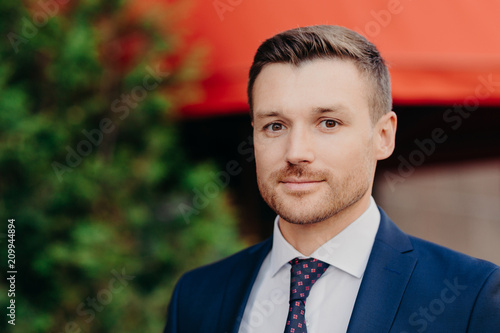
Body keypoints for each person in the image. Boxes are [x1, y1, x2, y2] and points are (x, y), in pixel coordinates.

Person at [164, 25, 500, 333]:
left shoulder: (470, 297)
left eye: (328, 123)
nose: (296, 152)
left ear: (383, 136)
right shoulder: (196, 297)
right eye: (275, 126)